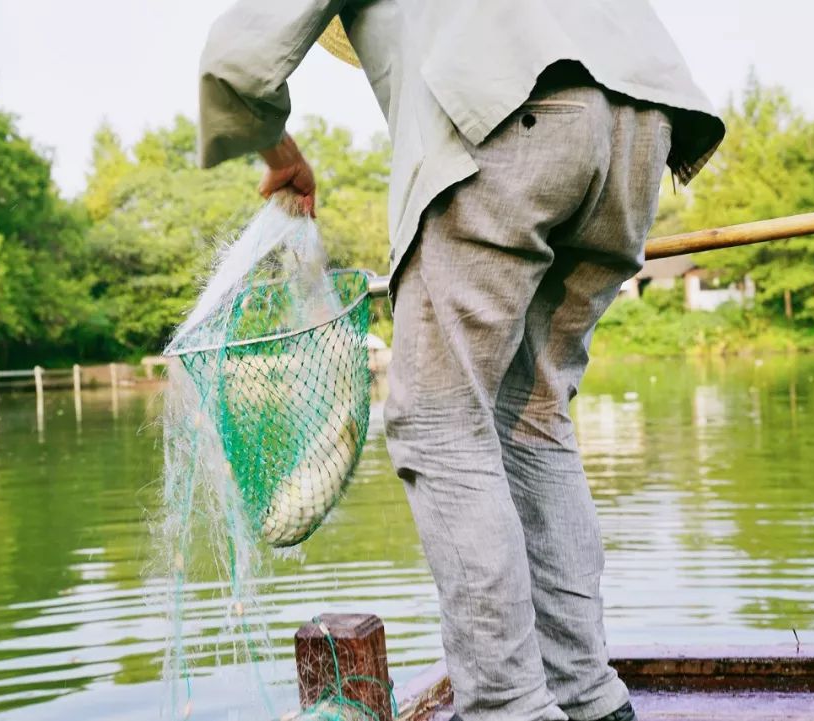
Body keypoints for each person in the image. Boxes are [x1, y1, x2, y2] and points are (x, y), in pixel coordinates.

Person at [197, 2, 724, 720]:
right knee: (534, 416)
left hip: (520, 112)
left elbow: (236, 62)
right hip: (646, 126)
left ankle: (510, 707)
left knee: (438, 422)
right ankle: (590, 697)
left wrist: (281, 155)